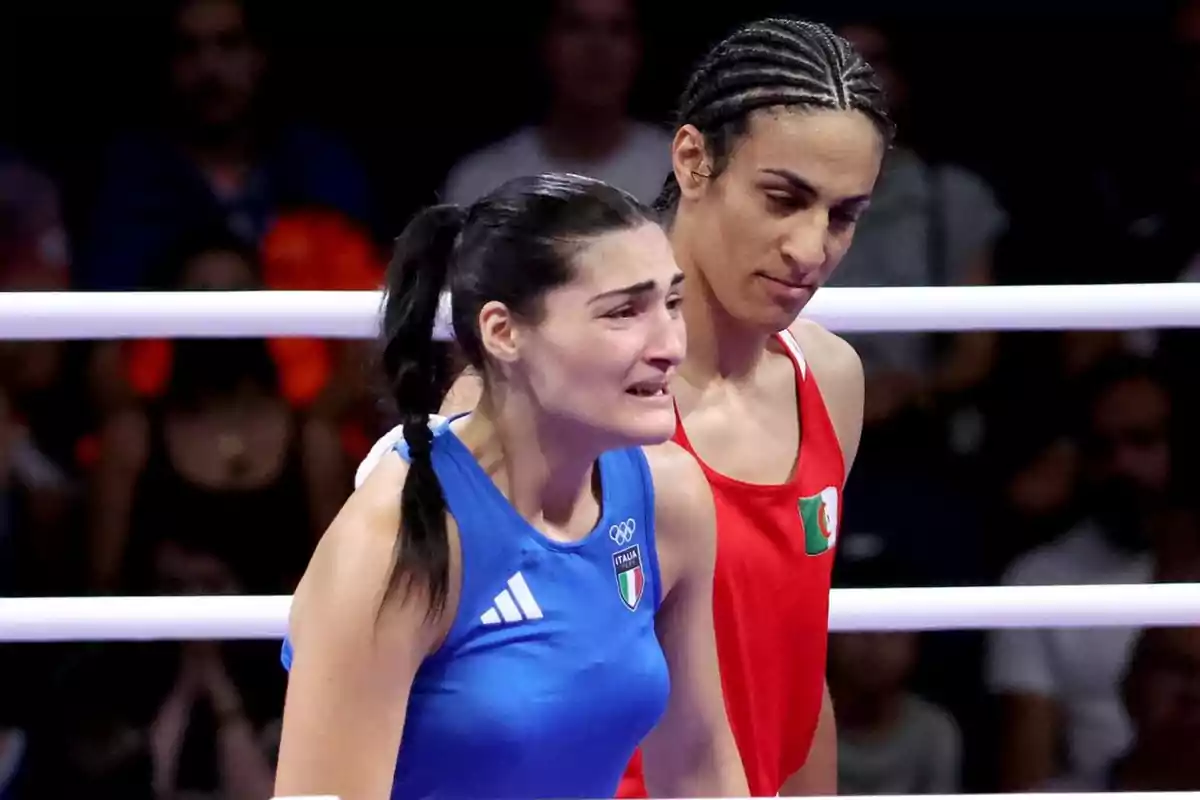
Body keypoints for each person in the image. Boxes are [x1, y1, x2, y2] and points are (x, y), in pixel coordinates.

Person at [429, 17, 893, 797]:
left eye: (843, 215)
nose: (812, 249)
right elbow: (443, 673)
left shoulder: (830, 377)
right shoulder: (541, 387)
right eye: (783, 198)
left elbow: (793, 667)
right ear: (692, 160)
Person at [274, 173, 748, 800]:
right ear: (503, 333)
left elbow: (698, 768)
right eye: (624, 311)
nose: (669, 345)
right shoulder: (394, 542)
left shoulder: (668, 498)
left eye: (672, 303)